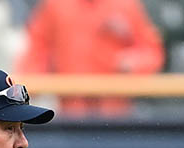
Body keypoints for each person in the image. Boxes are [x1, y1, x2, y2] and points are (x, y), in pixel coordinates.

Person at [15, 0, 164, 117]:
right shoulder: (56, 5)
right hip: (71, 110)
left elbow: (151, 51)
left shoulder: (125, 4)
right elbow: (36, 52)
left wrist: (132, 61)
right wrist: (26, 92)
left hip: (116, 112)